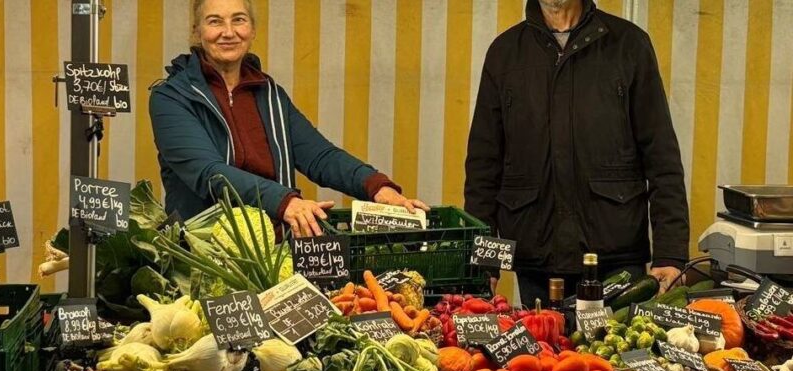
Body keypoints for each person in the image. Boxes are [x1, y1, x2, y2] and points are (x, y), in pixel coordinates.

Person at [464, 0, 689, 307]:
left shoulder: (629, 45)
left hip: (616, 255)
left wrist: (670, 253)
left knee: (615, 351)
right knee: (547, 350)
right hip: (536, 257)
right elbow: (483, 170)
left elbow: (661, 159)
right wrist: (484, 263)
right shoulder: (504, 53)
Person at [150, 0, 427, 238]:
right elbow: (209, 173)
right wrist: (285, 202)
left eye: (239, 20)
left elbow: (320, 156)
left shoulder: (269, 94)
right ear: (197, 32)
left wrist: (376, 186)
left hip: (276, 249)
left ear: (253, 29)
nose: (228, 32)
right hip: (203, 252)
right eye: (214, 22)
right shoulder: (172, 97)